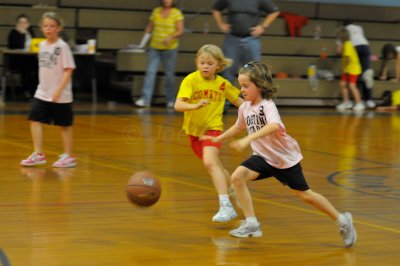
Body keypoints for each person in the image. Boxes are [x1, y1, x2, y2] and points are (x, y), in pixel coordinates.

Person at [202, 61, 357, 248]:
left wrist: (247, 140)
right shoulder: (244, 107)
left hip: (284, 159)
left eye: (245, 86)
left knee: (305, 195)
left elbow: (274, 126)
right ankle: (252, 223)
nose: (241, 90)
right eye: (240, 86)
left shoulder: (267, 105)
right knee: (238, 177)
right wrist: (220, 138)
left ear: (258, 86)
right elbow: (238, 126)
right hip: (262, 157)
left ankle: (342, 220)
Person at [174, 44, 244, 222]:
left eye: (210, 63)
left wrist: (260, 111)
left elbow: (239, 101)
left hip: (213, 129)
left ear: (218, 65)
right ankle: (236, 188)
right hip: (194, 132)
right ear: (197, 62)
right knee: (216, 166)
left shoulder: (222, 84)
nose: (205, 66)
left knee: (210, 163)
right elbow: (178, 105)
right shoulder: (191, 80)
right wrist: (194, 105)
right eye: (202, 62)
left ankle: (225, 206)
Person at [20, 12, 77, 168]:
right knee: (34, 119)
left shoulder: (63, 47)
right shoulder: (42, 45)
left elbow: (68, 69)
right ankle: (38, 154)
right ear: (41, 28)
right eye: (45, 26)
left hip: (60, 95)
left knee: (63, 125)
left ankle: (68, 156)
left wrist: (58, 90)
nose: (48, 29)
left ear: (58, 28)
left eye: (52, 26)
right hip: (43, 92)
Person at [212, 0, 279, 86]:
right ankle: (227, 99)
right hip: (232, 39)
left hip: (251, 40)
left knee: (253, 73)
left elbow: (274, 11)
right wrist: (221, 24)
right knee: (227, 72)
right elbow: (216, 8)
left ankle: (252, 99)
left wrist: (263, 27)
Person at [134, 0, 184, 108]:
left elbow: (180, 30)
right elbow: (149, 28)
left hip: (170, 49)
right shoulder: (156, 11)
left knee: (169, 75)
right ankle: (145, 99)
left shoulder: (176, 13)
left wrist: (170, 37)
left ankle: (171, 100)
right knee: (150, 73)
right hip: (154, 47)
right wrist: (142, 43)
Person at [341, 19, 375, 108]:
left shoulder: (343, 31)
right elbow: (366, 42)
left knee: (353, 76)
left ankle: (355, 101)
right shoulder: (359, 27)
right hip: (365, 47)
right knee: (366, 75)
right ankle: (368, 100)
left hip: (354, 48)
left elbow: (343, 50)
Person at [7, 14, 37, 99]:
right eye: (20, 22)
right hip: (17, 59)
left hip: (30, 57)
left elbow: (34, 44)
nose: (23, 24)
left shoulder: (31, 32)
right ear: (16, 23)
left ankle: (36, 91)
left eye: (25, 22)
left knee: (40, 66)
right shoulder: (13, 33)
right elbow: (18, 46)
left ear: (28, 24)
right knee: (27, 68)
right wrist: (22, 34)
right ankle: (27, 91)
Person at [336, 28, 365, 111]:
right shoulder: (345, 44)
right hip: (347, 69)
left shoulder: (348, 44)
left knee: (352, 86)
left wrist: (346, 67)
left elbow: (347, 57)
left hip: (353, 69)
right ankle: (346, 102)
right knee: (342, 84)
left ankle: (359, 103)